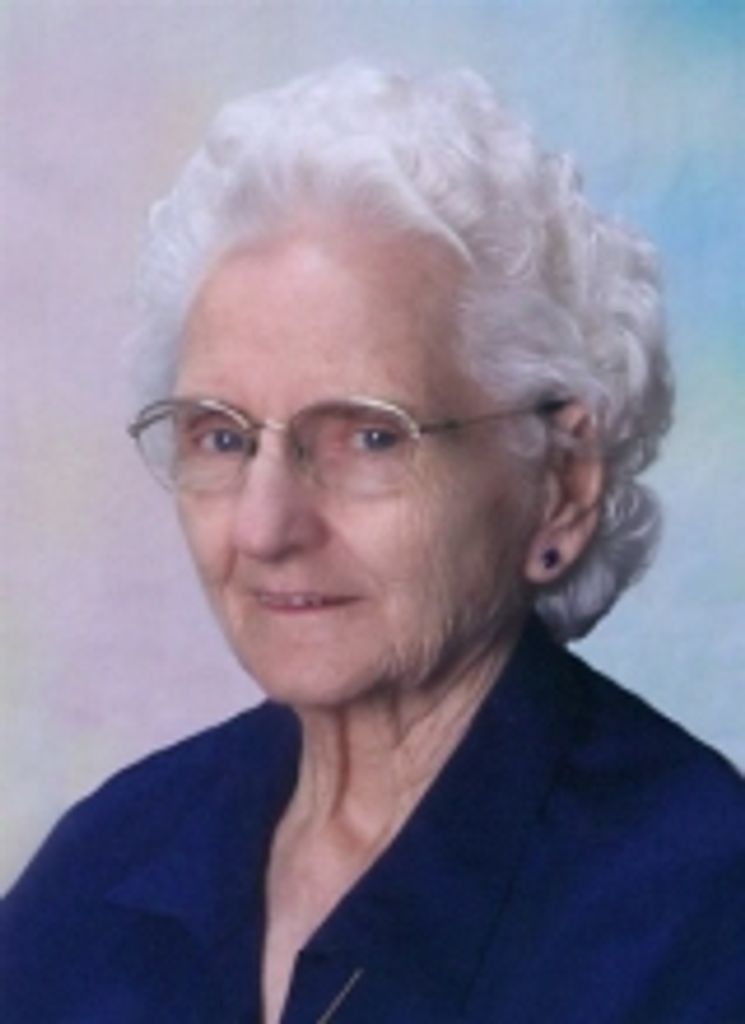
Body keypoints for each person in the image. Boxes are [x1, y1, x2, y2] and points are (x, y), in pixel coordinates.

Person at [2, 62, 744, 1024]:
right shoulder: (107, 860)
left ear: (560, 485)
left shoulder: (703, 913)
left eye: (368, 437)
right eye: (220, 437)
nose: (265, 528)